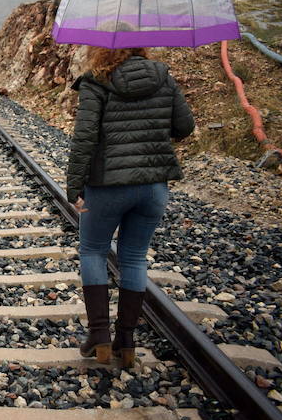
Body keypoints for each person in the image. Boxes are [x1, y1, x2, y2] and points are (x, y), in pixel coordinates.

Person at [66, 45, 194, 366]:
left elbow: (85, 137)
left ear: (102, 50)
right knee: (134, 258)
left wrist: (74, 187)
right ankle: (126, 341)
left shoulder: (96, 81)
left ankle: (99, 336)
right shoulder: (163, 76)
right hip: (153, 187)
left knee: (93, 251)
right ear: (140, 48)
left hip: (108, 186)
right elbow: (185, 127)